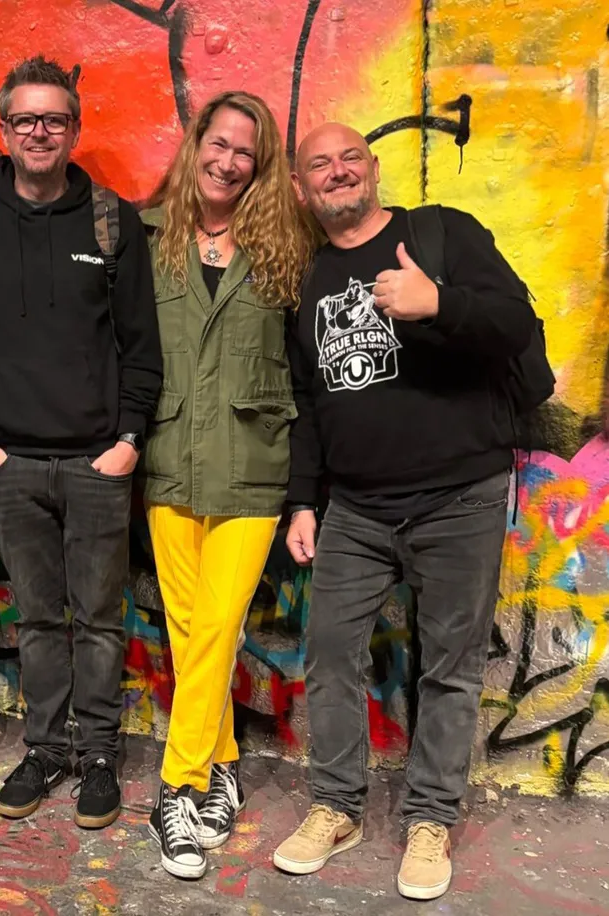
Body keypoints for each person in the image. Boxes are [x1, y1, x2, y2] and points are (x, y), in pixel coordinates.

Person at [274, 122, 541, 900]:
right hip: (354, 506)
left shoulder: (443, 234)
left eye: (349, 157)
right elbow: (309, 404)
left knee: (450, 670)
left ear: (374, 167)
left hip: (460, 496)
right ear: (300, 188)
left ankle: (430, 818)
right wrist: (303, 499)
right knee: (328, 654)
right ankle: (336, 805)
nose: (337, 171)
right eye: (319, 165)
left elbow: (514, 323)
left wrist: (437, 303)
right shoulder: (311, 279)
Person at [0, 55, 162, 829]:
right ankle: (45, 747)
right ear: (4, 129)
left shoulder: (111, 220)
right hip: (10, 463)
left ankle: (98, 753)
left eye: (54, 119)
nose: (40, 131)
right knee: (36, 620)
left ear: (74, 128)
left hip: (100, 461)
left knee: (99, 618)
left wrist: (128, 437)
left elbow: (141, 342)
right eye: (25, 119)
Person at [138, 91, 315, 879]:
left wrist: (312, 485)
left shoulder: (289, 246)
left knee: (217, 624)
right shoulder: (148, 238)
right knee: (187, 627)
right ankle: (223, 765)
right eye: (219, 142)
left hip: (253, 463)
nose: (228, 160)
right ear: (196, 143)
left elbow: (310, 374)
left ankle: (173, 788)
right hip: (170, 458)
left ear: (262, 163)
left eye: (246, 150)